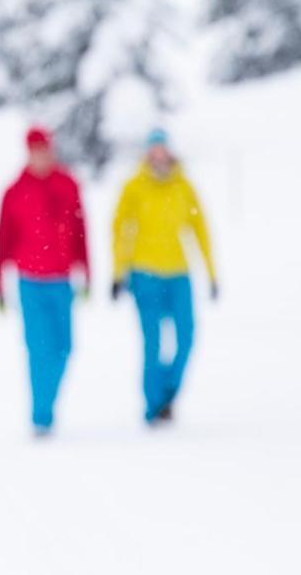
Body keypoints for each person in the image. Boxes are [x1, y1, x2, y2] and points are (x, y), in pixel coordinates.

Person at [111, 128, 218, 426]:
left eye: (162, 149)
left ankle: (169, 393)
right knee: (153, 343)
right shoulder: (134, 187)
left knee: (186, 337)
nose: (158, 155)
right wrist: (119, 272)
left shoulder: (183, 186)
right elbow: (120, 230)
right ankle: (153, 403)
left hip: (178, 273)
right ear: (147, 153)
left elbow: (200, 230)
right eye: (153, 149)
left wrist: (211, 271)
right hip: (145, 274)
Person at [0, 127, 90, 436]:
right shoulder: (14, 191)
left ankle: (47, 404)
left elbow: (80, 230)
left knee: (64, 348)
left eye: (44, 150)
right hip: (30, 282)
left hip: (61, 281)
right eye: (35, 151)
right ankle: (41, 415)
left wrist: (87, 270)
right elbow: (3, 240)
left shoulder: (68, 184)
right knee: (38, 350)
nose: (41, 157)